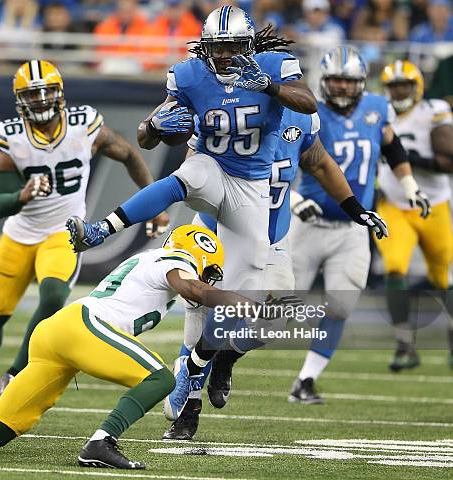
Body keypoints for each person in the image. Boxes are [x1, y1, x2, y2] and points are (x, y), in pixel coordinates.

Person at [0, 225, 294, 469]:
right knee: (160, 376)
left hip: (58, 335)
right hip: (83, 326)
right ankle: (101, 442)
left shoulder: (151, 265)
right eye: (209, 270)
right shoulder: (171, 263)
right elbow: (193, 287)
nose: (208, 278)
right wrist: (242, 302)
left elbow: (193, 294)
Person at [162, 106, 388, 439]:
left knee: (275, 320)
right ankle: (189, 410)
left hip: (270, 237)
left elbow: (321, 163)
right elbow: (191, 172)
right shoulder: (224, 112)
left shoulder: (299, 119)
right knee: (201, 320)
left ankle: (226, 357)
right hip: (217, 231)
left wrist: (354, 209)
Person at [68, 6, 316, 300]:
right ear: (204, 47)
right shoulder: (190, 75)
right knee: (189, 175)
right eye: (216, 47)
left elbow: (308, 102)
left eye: (232, 46)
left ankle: (208, 347)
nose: (224, 55)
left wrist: (270, 87)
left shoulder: (272, 67)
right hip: (213, 166)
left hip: (251, 184)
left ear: (248, 45)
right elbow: (144, 139)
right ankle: (100, 230)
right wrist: (155, 126)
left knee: (244, 285)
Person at [0, 60, 169, 412]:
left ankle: (14, 373)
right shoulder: (13, 136)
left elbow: (129, 155)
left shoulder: (84, 126)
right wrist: (22, 195)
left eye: (46, 92)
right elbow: (0, 205)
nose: (41, 100)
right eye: (32, 94)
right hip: (19, 235)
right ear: (19, 100)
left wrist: (156, 202)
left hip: (63, 232)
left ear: (60, 93)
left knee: (53, 297)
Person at [284, 47, 430, 403]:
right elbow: (277, 160)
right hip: (309, 223)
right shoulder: (307, 110)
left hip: (352, 228)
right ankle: (221, 358)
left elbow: (393, 149)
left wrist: (410, 186)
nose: (343, 88)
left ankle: (305, 380)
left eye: (349, 81)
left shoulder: (377, 108)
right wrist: (291, 198)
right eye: (336, 80)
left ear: (362, 83)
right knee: (279, 308)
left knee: (341, 306)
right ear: (324, 80)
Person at [378, 60, 453, 370]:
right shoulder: (379, 112)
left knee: (443, 277)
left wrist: (415, 159)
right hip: (394, 205)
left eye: (403, 86)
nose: (398, 92)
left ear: (416, 86)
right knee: (394, 268)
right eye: (393, 86)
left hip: (434, 205)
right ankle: (405, 344)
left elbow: (449, 159)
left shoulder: (433, 110)